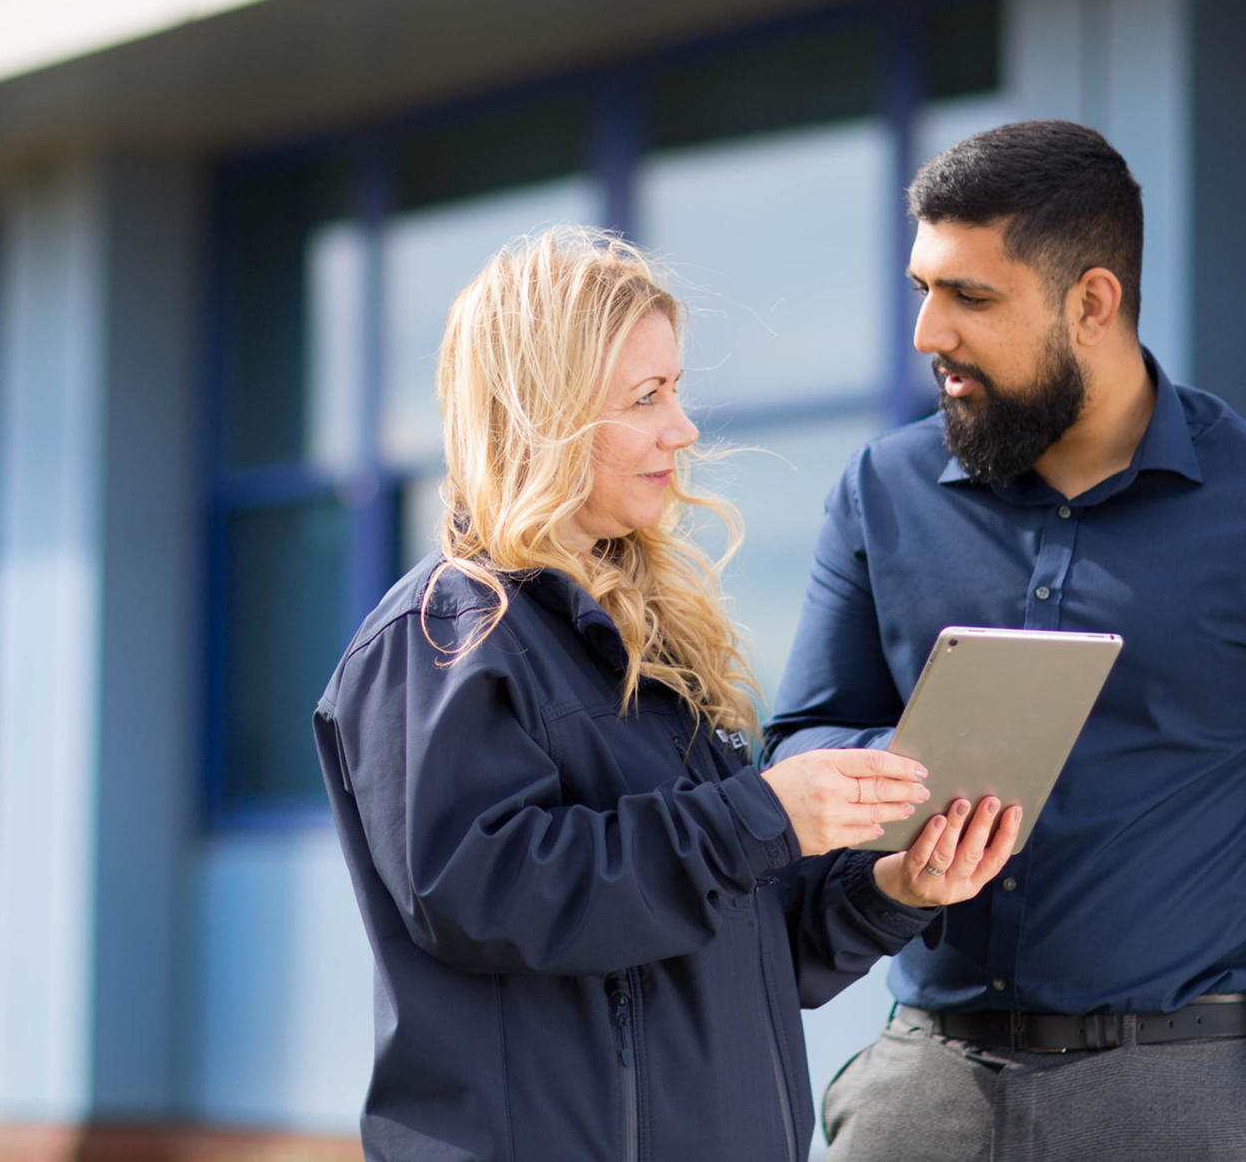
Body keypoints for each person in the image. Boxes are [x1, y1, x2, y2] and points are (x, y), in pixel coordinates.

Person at [769, 120, 1246, 1162]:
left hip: (1185, 1093)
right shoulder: (880, 492)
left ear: (1092, 301)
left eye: (970, 296)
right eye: (923, 286)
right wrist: (900, 773)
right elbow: (799, 743)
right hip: (924, 1085)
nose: (927, 333)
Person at [314, 227, 1022, 1162]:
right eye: (646, 398)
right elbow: (484, 893)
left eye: (674, 390)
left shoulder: (652, 652)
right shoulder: (448, 634)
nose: (681, 429)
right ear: (542, 412)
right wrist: (759, 817)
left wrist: (894, 891)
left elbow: (741, 950)